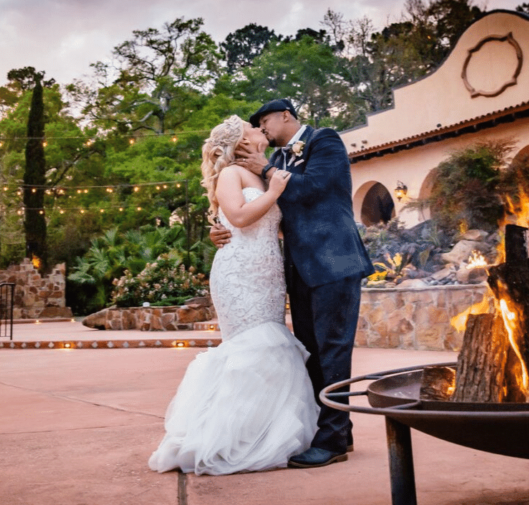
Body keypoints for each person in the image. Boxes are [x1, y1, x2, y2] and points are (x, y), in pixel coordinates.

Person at [148, 116, 318, 476]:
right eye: (254, 128)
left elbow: (273, 223)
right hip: (239, 273)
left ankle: (261, 432)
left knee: (271, 345)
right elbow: (238, 217)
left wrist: (271, 190)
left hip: (269, 272)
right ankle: (227, 437)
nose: (261, 131)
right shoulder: (232, 174)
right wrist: (273, 194)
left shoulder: (266, 172)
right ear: (241, 141)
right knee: (249, 348)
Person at [214, 98, 374, 469]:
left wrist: (267, 169)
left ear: (285, 115)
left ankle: (331, 440)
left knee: (333, 351)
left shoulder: (324, 140)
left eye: (264, 120)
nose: (262, 128)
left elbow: (315, 187)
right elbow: (262, 211)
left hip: (334, 262)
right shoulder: (278, 161)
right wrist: (221, 230)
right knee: (312, 354)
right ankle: (337, 430)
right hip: (298, 270)